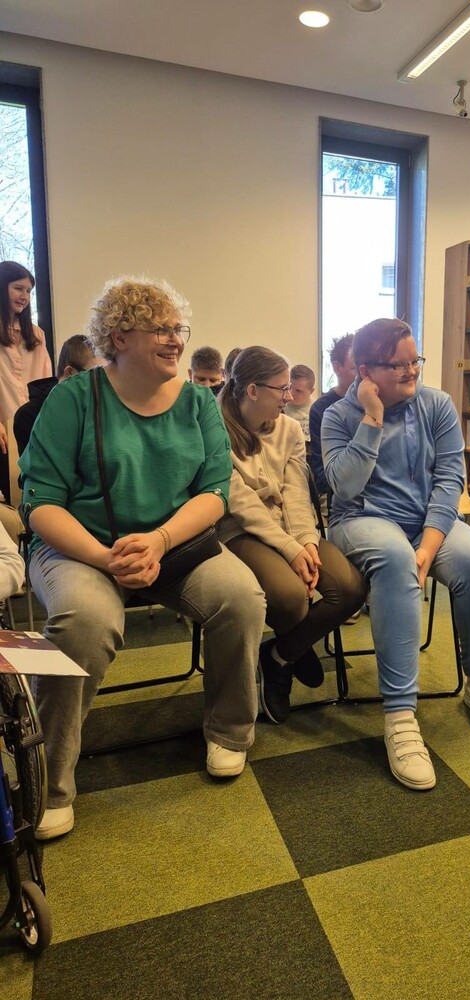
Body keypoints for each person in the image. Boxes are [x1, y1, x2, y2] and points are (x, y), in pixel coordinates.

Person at [20, 278, 266, 841]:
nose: (176, 339)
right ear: (119, 337)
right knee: (83, 622)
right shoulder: (74, 399)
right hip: (81, 548)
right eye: (160, 329)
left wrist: (157, 541)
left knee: (241, 597)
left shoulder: (198, 402)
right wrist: (106, 557)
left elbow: (214, 493)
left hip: (171, 547)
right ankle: (49, 782)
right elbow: (41, 504)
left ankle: (229, 732)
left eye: (178, 329)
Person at [321, 318, 470, 792]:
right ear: (366, 371)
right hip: (360, 520)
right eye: (398, 364)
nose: (411, 370)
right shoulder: (337, 416)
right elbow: (345, 487)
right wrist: (372, 419)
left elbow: (449, 479)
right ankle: (401, 717)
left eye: (414, 360)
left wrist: (428, 544)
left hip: (426, 521)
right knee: (394, 560)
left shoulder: (437, 404)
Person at [218, 347, 366, 724]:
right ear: (252, 391)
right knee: (290, 597)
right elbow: (240, 503)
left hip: (290, 528)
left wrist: (306, 543)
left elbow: (297, 492)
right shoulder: (215, 429)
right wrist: (288, 548)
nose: (289, 396)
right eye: (281, 389)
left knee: (350, 588)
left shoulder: (288, 429)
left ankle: (280, 655)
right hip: (240, 532)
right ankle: (295, 648)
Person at [0, 261, 53, 498]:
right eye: (18, 288)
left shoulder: (37, 335)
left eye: (29, 291)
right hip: (3, 431)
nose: (25, 296)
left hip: (34, 429)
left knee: (33, 493)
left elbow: (45, 385)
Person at [14, 334, 100, 455]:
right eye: (95, 376)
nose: (101, 384)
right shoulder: (29, 416)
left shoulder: (98, 409)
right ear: (70, 373)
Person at [309, 334, 356, 495]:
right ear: (337, 367)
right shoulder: (321, 409)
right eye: (355, 368)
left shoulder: (379, 402)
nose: (363, 374)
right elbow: (321, 474)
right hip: (338, 494)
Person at [284, 363, 315, 443]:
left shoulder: (318, 410)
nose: (291, 393)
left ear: (311, 391)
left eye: (298, 391)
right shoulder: (280, 408)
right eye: (289, 388)